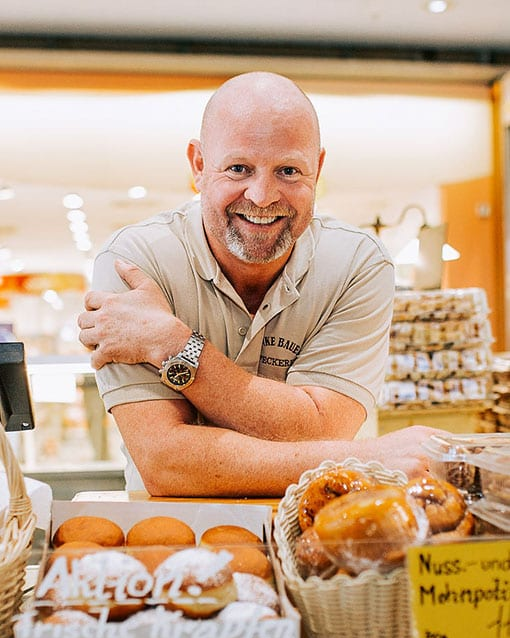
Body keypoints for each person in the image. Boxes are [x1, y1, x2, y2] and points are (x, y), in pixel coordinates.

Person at [78, 71, 444, 498]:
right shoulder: (135, 264)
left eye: (288, 170)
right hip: (167, 536)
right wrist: (356, 458)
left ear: (318, 168)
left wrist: (176, 346)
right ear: (198, 165)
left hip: (315, 530)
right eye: (238, 168)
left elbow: (322, 428)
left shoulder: (359, 264)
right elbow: (165, 463)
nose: (262, 195)